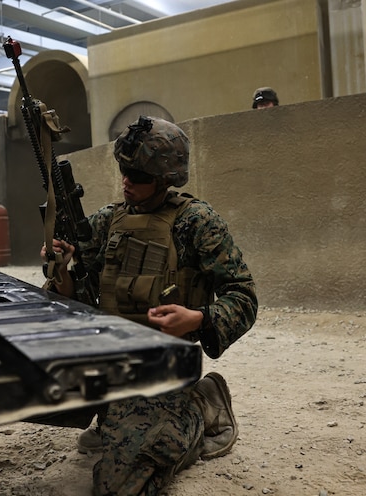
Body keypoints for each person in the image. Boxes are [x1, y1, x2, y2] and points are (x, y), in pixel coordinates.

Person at [41, 116, 257, 495]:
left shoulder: (197, 223)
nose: (127, 182)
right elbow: (74, 292)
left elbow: (243, 295)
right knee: (24, 386)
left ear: (165, 179)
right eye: (124, 171)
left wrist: (198, 319)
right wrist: (59, 264)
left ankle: (203, 404)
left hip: (162, 369)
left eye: (137, 176)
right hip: (111, 361)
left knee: (122, 483)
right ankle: (114, 418)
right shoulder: (110, 220)